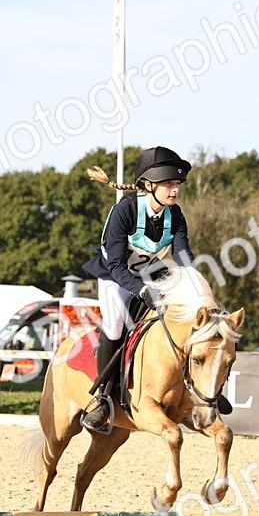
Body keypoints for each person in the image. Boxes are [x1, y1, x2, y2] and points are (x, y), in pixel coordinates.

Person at [80, 146, 195, 433]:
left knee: (187, 309)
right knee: (117, 324)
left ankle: (202, 392)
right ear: (148, 185)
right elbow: (117, 265)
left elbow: (183, 257)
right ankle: (102, 398)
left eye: (177, 184)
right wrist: (142, 291)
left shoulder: (175, 215)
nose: (174, 189)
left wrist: (196, 287)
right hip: (114, 274)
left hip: (150, 270)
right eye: (169, 183)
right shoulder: (126, 210)